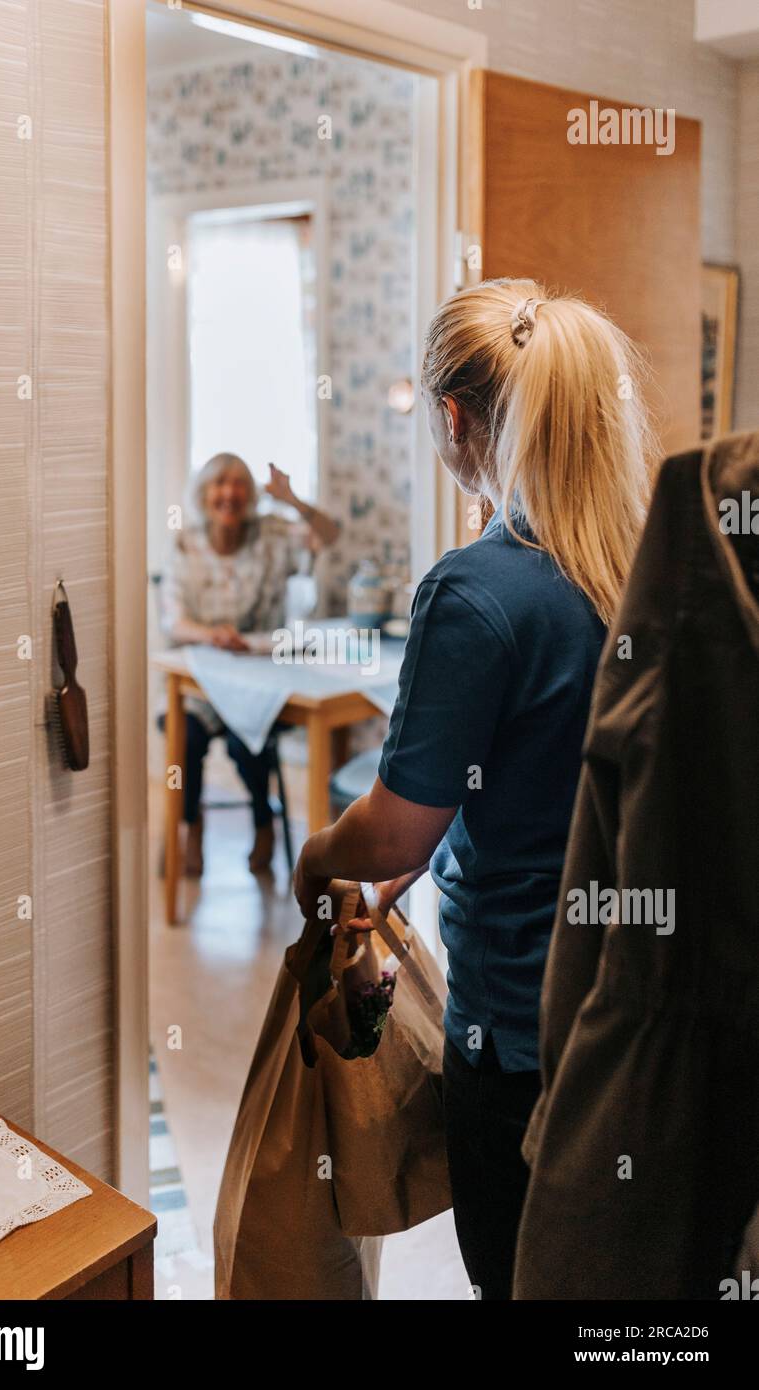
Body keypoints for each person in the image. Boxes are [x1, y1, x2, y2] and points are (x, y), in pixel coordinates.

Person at [293, 278, 656, 1299]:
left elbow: (395, 836)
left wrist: (321, 857)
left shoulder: (475, 591)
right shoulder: (643, 568)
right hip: (636, 1021)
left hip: (520, 1041)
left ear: (452, 420)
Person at [163, 452, 339, 875]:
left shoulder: (271, 535)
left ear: (251, 495)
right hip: (202, 681)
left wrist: (293, 499)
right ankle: (190, 825)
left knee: (250, 738)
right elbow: (172, 619)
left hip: (262, 677)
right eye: (219, 483)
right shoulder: (186, 542)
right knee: (185, 736)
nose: (230, 493)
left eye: (239, 483)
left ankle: (264, 822)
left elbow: (330, 535)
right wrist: (213, 635)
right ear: (203, 494)